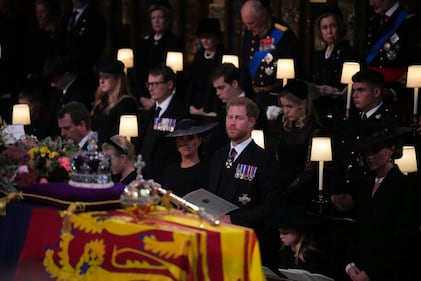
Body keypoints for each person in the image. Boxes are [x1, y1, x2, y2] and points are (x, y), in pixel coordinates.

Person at [338, 125, 418, 281]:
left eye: (375, 150)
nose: (370, 156)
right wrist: (350, 264)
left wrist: (372, 272)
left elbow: (402, 237)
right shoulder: (365, 183)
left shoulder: (404, 185)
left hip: (388, 271)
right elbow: (358, 228)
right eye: (366, 151)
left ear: (391, 149)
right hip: (358, 266)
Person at [207, 96, 279, 267]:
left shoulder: (263, 159)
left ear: (251, 122)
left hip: (244, 239)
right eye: (229, 117)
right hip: (215, 236)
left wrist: (234, 220)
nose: (232, 123)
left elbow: (271, 206)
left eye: (239, 118)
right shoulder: (218, 155)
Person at [331, 69, 400, 209]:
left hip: (372, 198)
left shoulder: (388, 124)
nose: (355, 95)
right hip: (347, 192)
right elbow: (342, 157)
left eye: (361, 90)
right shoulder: (353, 120)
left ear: (376, 92)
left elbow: (380, 168)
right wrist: (337, 191)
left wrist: (355, 197)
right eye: (354, 90)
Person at [366, 0, 421, 123]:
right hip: (373, 94)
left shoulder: (410, 23)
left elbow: (416, 65)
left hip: (398, 97)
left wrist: (394, 91)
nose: (371, 3)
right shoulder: (374, 21)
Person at [239, 0, 300, 109]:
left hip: (276, 97)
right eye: (246, 23)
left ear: (263, 15)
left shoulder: (282, 33)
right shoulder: (249, 33)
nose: (248, 28)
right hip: (253, 97)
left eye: (251, 23)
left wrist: (283, 100)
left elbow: (291, 72)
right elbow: (245, 65)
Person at [137, 64, 189, 181]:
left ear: (169, 85)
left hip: (166, 177)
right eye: (149, 84)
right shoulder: (152, 111)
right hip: (146, 175)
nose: (150, 88)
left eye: (155, 84)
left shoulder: (179, 112)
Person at [276, 80, 320, 208]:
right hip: (280, 186)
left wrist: (286, 191)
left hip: (300, 191)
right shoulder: (287, 128)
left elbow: (310, 170)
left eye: (289, 106)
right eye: (283, 106)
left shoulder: (314, 130)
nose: (285, 111)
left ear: (302, 105)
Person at [312, 7, 359, 124]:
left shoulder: (349, 53)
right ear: (320, 31)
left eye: (333, 26)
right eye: (324, 27)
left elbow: (355, 85)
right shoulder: (321, 54)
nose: (329, 31)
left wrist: (336, 91)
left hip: (341, 109)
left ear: (340, 27)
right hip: (321, 108)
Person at [135, 0, 183, 110]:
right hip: (144, 95)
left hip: (163, 94)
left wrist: (154, 99)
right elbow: (138, 71)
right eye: (153, 18)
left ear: (166, 20)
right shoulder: (144, 43)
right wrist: (142, 97)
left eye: (160, 18)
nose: (156, 21)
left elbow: (173, 73)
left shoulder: (174, 42)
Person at [160, 119, 217, 196]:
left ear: (199, 141)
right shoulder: (170, 171)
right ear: (176, 142)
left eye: (190, 138)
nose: (185, 143)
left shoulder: (207, 171)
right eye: (181, 138)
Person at [270, 206, 329, 277]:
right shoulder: (284, 252)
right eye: (279, 232)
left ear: (298, 232)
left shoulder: (312, 255)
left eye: (285, 233)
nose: (280, 236)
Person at [90, 58, 138, 145]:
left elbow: (120, 136)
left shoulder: (126, 103)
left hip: (113, 151)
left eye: (106, 77)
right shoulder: (100, 103)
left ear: (117, 79)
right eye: (100, 77)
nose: (101, 81)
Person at [64, 0, 106, 92]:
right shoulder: (67, 17)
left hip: (85, 73)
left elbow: (96, 47)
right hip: (67, 73)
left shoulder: (95, 17)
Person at [187, 18, 225, 115]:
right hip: (195, 106)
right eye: (202, 37)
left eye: (208, 37)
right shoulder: (198, 56)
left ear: (216, 38)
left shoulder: (223, 55)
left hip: (214, 106)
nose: (204, 40)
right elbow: (192, 82)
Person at [24, 0, 65, 80]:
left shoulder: (60, 34)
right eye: (37, 12)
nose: (39, 15)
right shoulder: (35, 34)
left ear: (50, 12)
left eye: (42, 12)